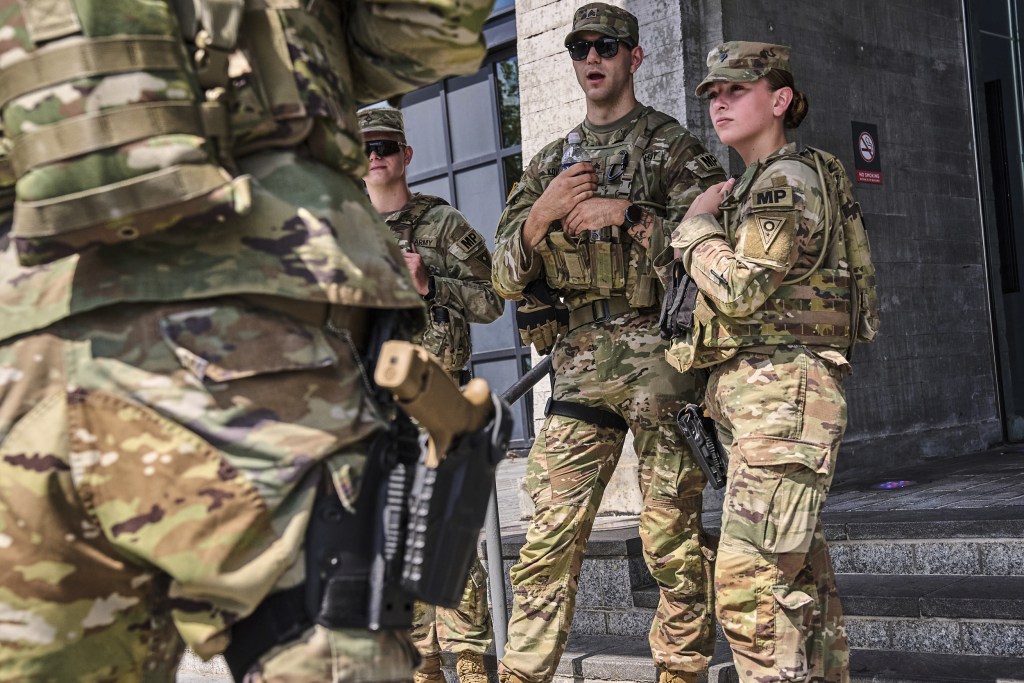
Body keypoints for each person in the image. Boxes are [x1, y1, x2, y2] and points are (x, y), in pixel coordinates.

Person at [0, 1, 495, 681]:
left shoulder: (441, 221)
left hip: (25, 337)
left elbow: (491, 297)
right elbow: (432, 31)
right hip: (254, 326)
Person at [490, 4, 727, 683]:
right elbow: (503, 276)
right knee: (547, 537)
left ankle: (680, 671)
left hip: (661, 361)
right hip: (579, 364)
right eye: (580, 47)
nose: (592, 57)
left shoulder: (672, 146)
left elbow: (714, 244)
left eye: (607, 46)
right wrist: (542, 214)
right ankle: (522, 674)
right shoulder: (549, 163)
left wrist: (626, 213)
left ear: (634, 57)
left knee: (672, 539)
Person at [667, 41, 879, 682]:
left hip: (782, 396)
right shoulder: (756, 185)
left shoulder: (785, 181)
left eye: (736, 89)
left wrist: (694, 229)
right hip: (765, 399)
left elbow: (741, 289)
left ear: (780, 99)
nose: (720, 103)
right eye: (712, 94)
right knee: (802, 586)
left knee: (750, 588)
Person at [359, 106, 504, 683]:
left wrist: (429, 284)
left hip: (440, 406)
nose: (376, 157)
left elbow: (492, 300)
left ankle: (470, 660)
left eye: (386, 147)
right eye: (366, 149)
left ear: (406, 155)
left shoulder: (442, 224)